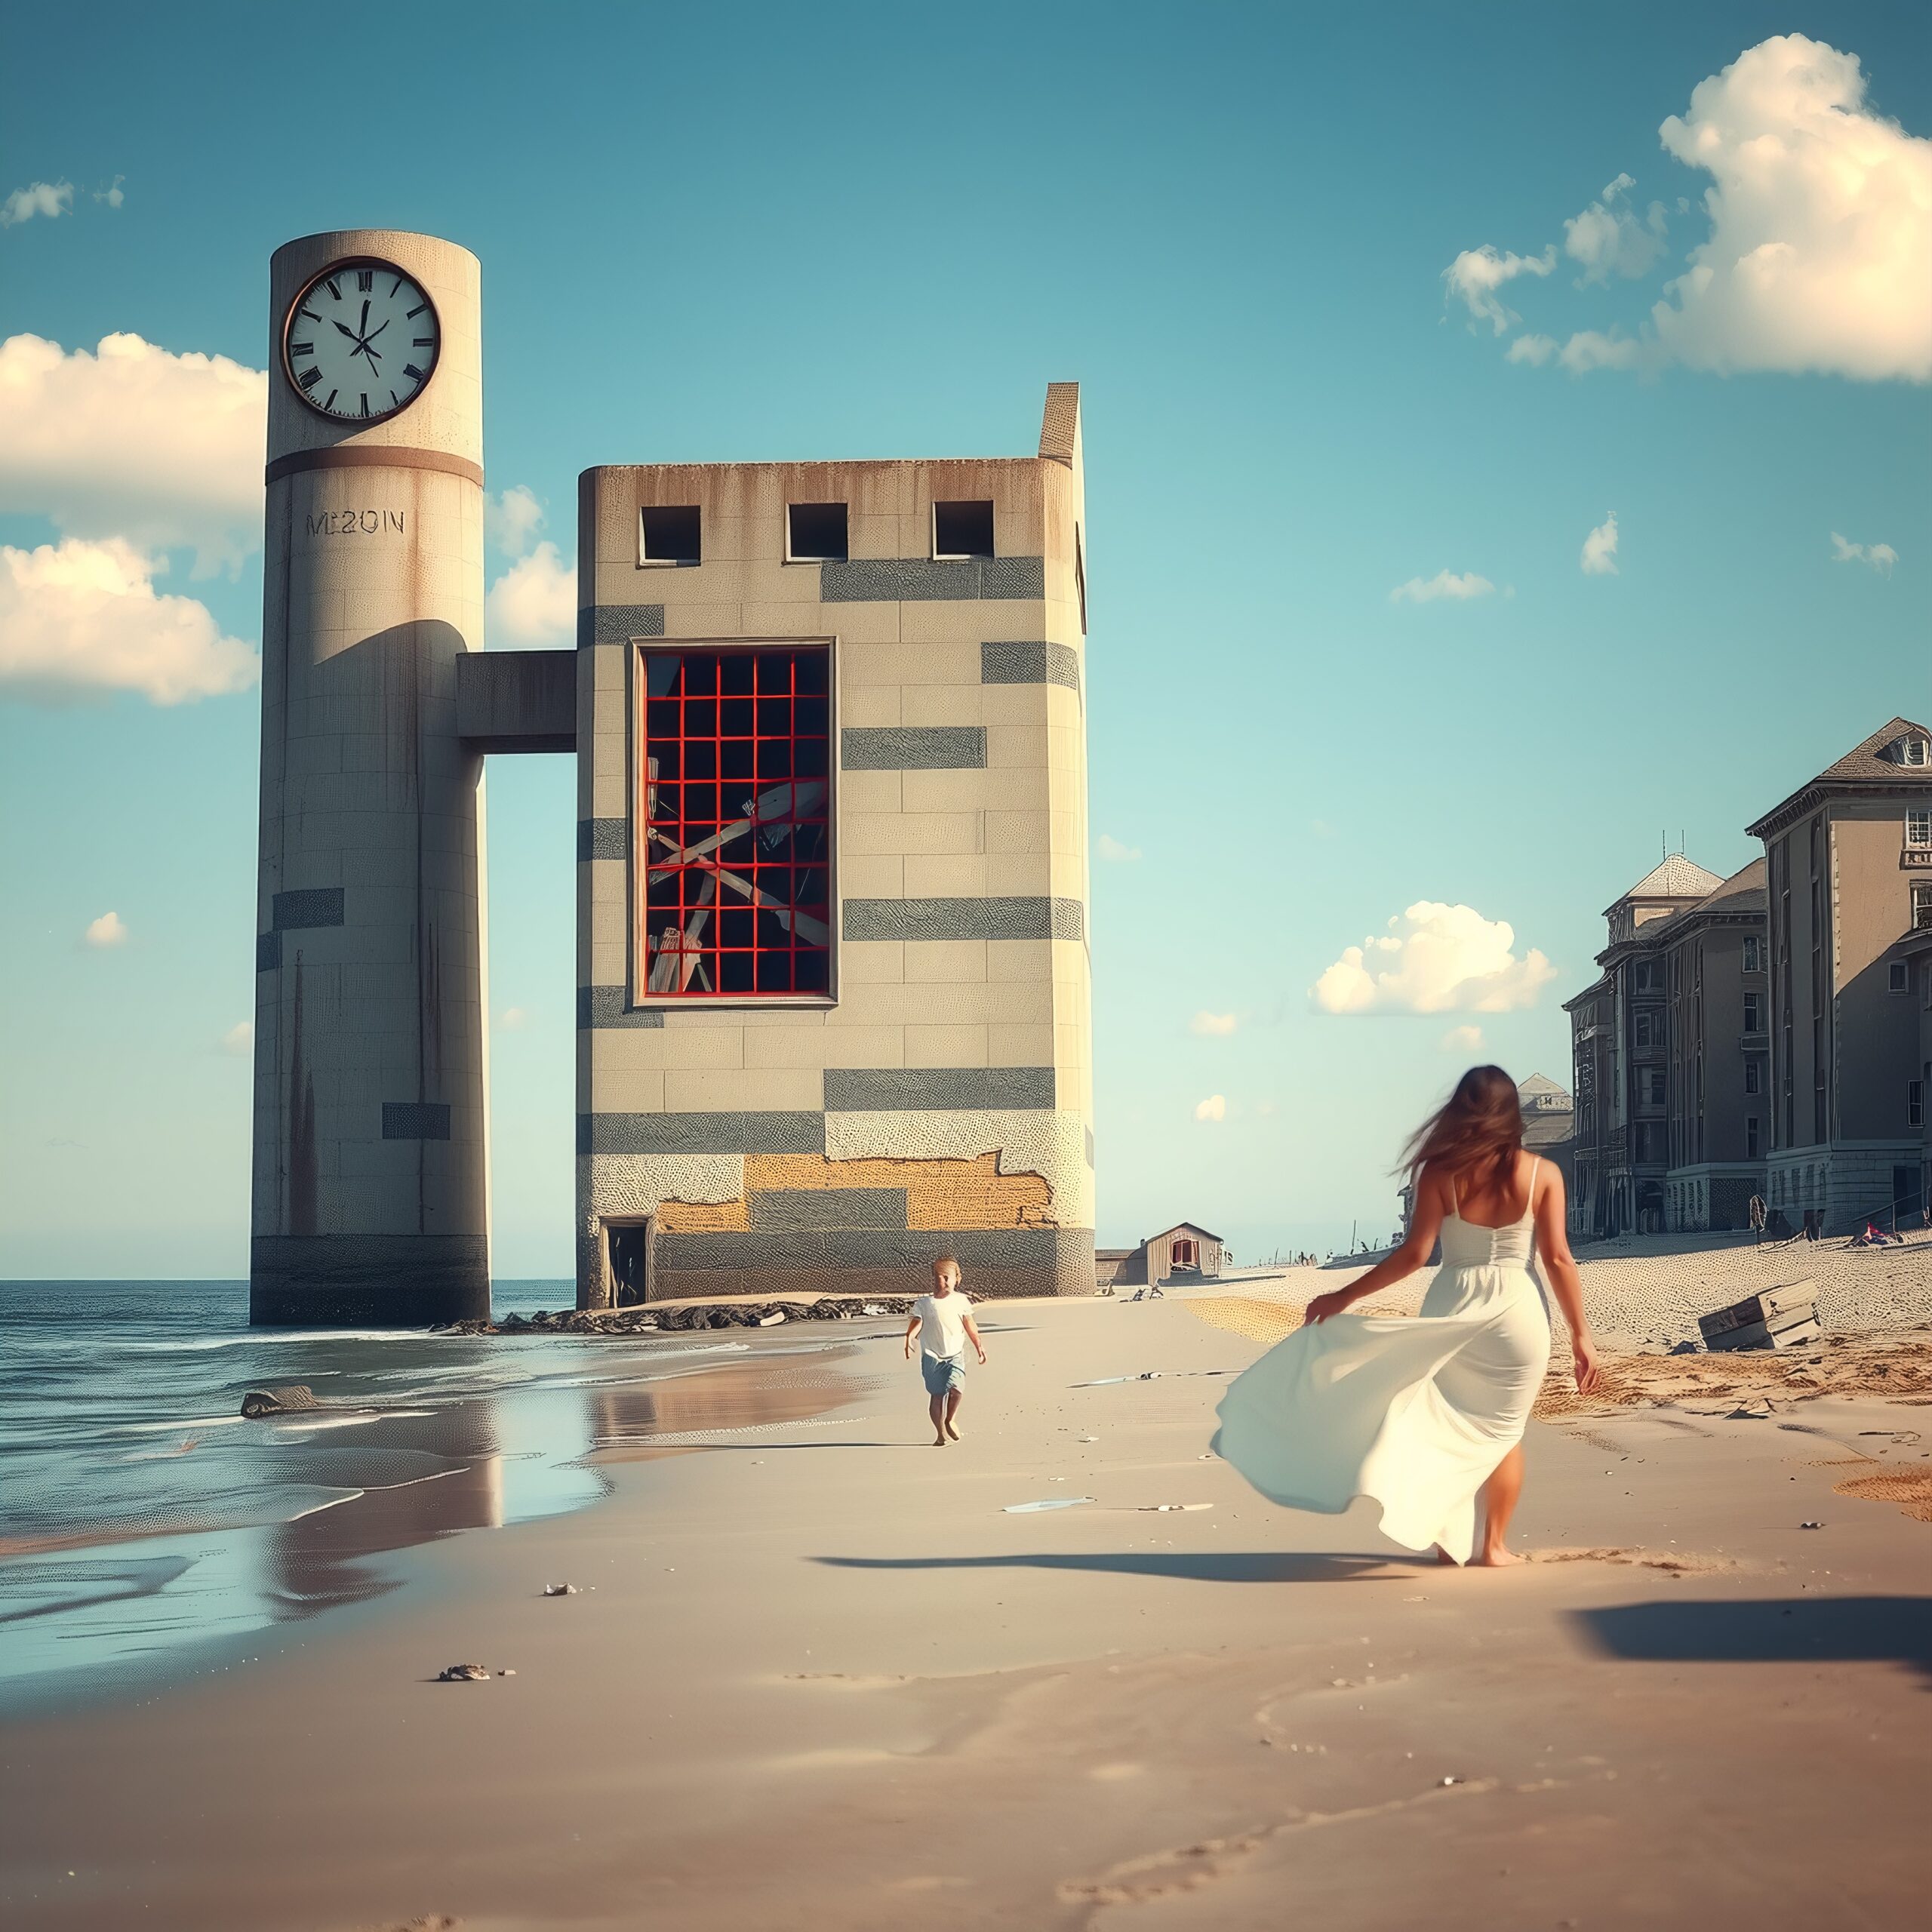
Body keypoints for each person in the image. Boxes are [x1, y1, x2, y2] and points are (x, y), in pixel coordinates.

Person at [1212, 1066, 1602, 1568]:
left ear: (1459, 1110)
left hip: (1453, 1303)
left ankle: (1448, 1545)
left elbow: (1415, 1255)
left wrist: (1344, 1296)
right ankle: (1494, 1547)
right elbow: (1557, 1260)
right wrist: (1581, 1336)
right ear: (1513, 1117)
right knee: (1505, 1432)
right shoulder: (1542, 1174)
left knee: (1444, 1425)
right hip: (1518, 1313)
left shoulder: (1440, 1173)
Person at [904, 1255, 986, 1447]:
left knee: (957, 1389)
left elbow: (970, 1325)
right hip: (932, 1357)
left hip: (955, 1354)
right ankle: (940, 1433)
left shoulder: (961, 1301)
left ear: (958, 1278)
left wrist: (979, 1346)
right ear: (934, 1279)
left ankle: (950, 1419)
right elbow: (917, 1323)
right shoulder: (924, 1304)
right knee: (937, 1395)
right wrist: (908, 1337)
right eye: (939, 1277)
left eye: (948, 1277)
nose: (944, 1282)